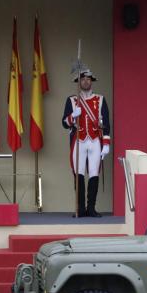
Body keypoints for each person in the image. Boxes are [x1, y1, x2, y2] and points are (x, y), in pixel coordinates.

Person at [61, 69, 111, 217]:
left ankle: (91, 208)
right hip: (79, 140)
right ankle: (80, 208)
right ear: (78, 82)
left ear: (92, 81)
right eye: (83, 79)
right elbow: (64, 123)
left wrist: (106, 143)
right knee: (79, 174)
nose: (86, 81)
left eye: (88, 79)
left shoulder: (100, 99)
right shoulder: (72, 100)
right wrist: (72, 116)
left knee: (94, 173)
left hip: (95, 140)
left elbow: (106, 122)